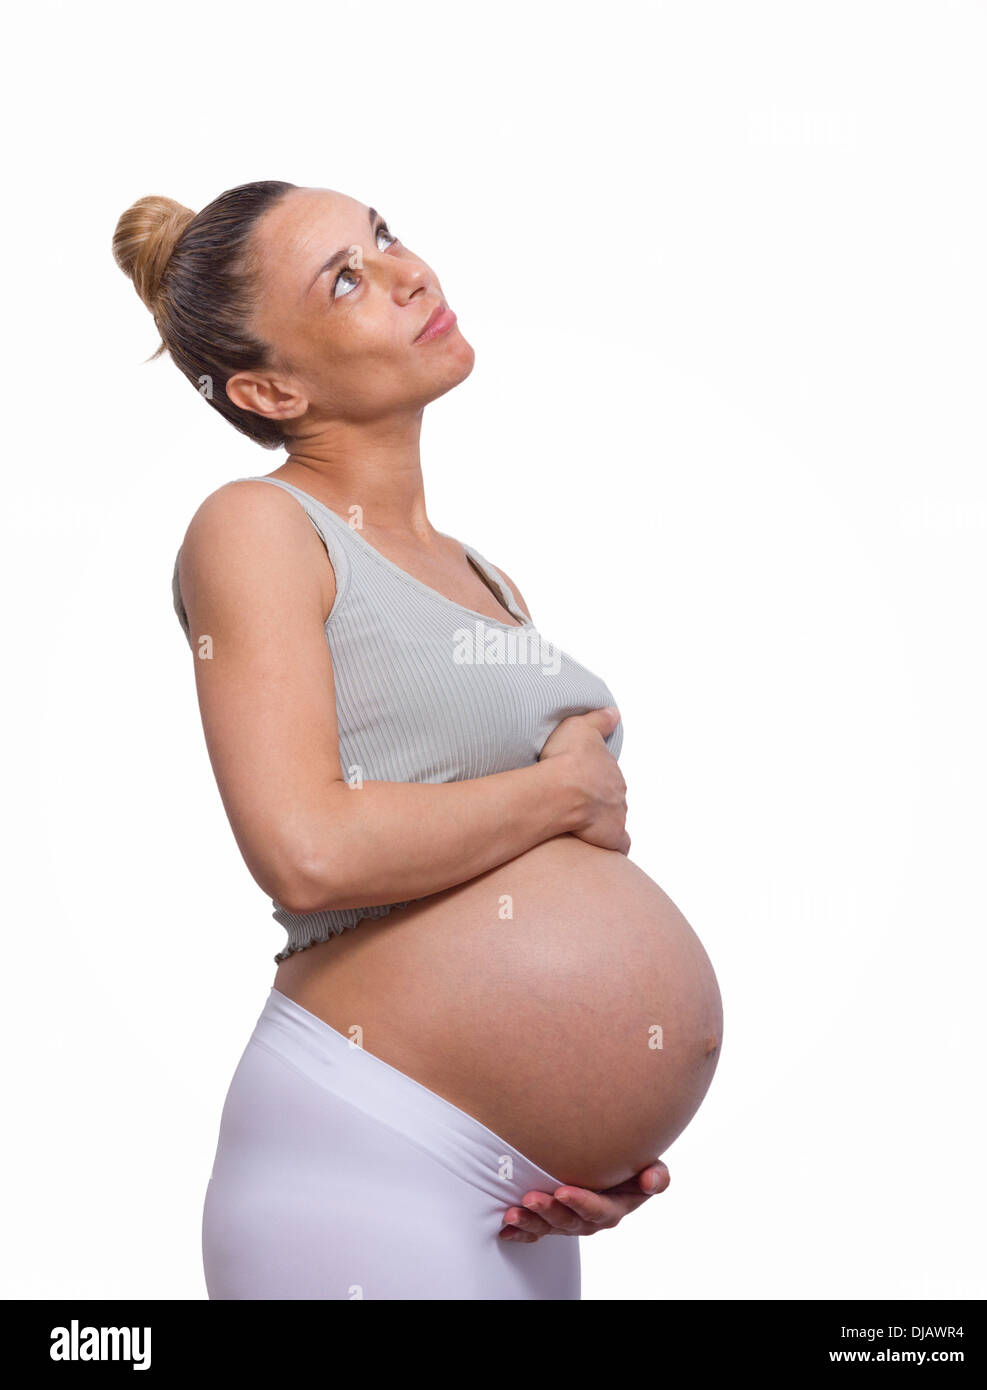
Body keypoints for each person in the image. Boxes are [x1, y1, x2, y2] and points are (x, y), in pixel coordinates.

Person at [112, 181, 724, 1300]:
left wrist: (596, 1143)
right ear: (268, 387)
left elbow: (495, 871)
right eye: (345, 276)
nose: (409, 273)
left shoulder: (489, 580)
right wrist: (565, 796)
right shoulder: (255, 528)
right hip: (363, 1157)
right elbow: (308, 848)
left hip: (534, 1208)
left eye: (384, 236)